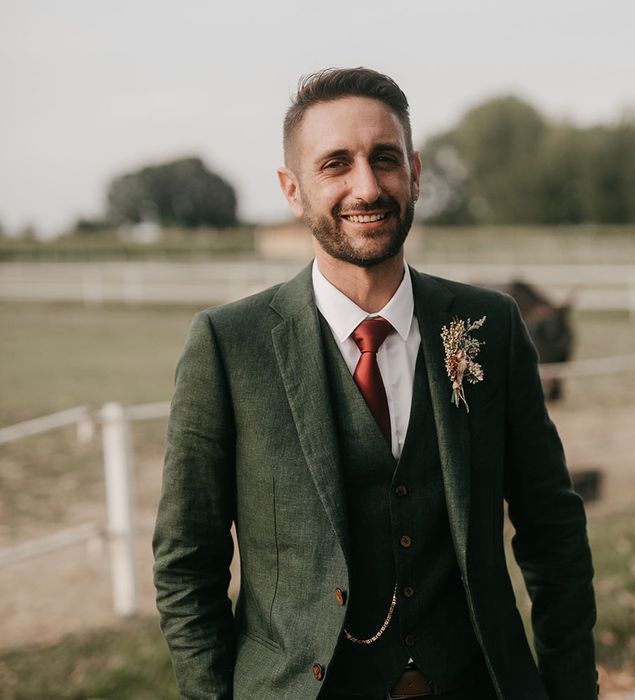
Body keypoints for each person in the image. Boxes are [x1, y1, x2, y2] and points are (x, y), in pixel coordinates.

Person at [153, 67, 598, 700]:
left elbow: (553, 531)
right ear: (293, 189)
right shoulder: (228, 347)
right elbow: (186, 568)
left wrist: (570, 689)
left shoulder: (489, 326)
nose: (367, 186)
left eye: (384, 159)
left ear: (414, 172)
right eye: (335, 164)